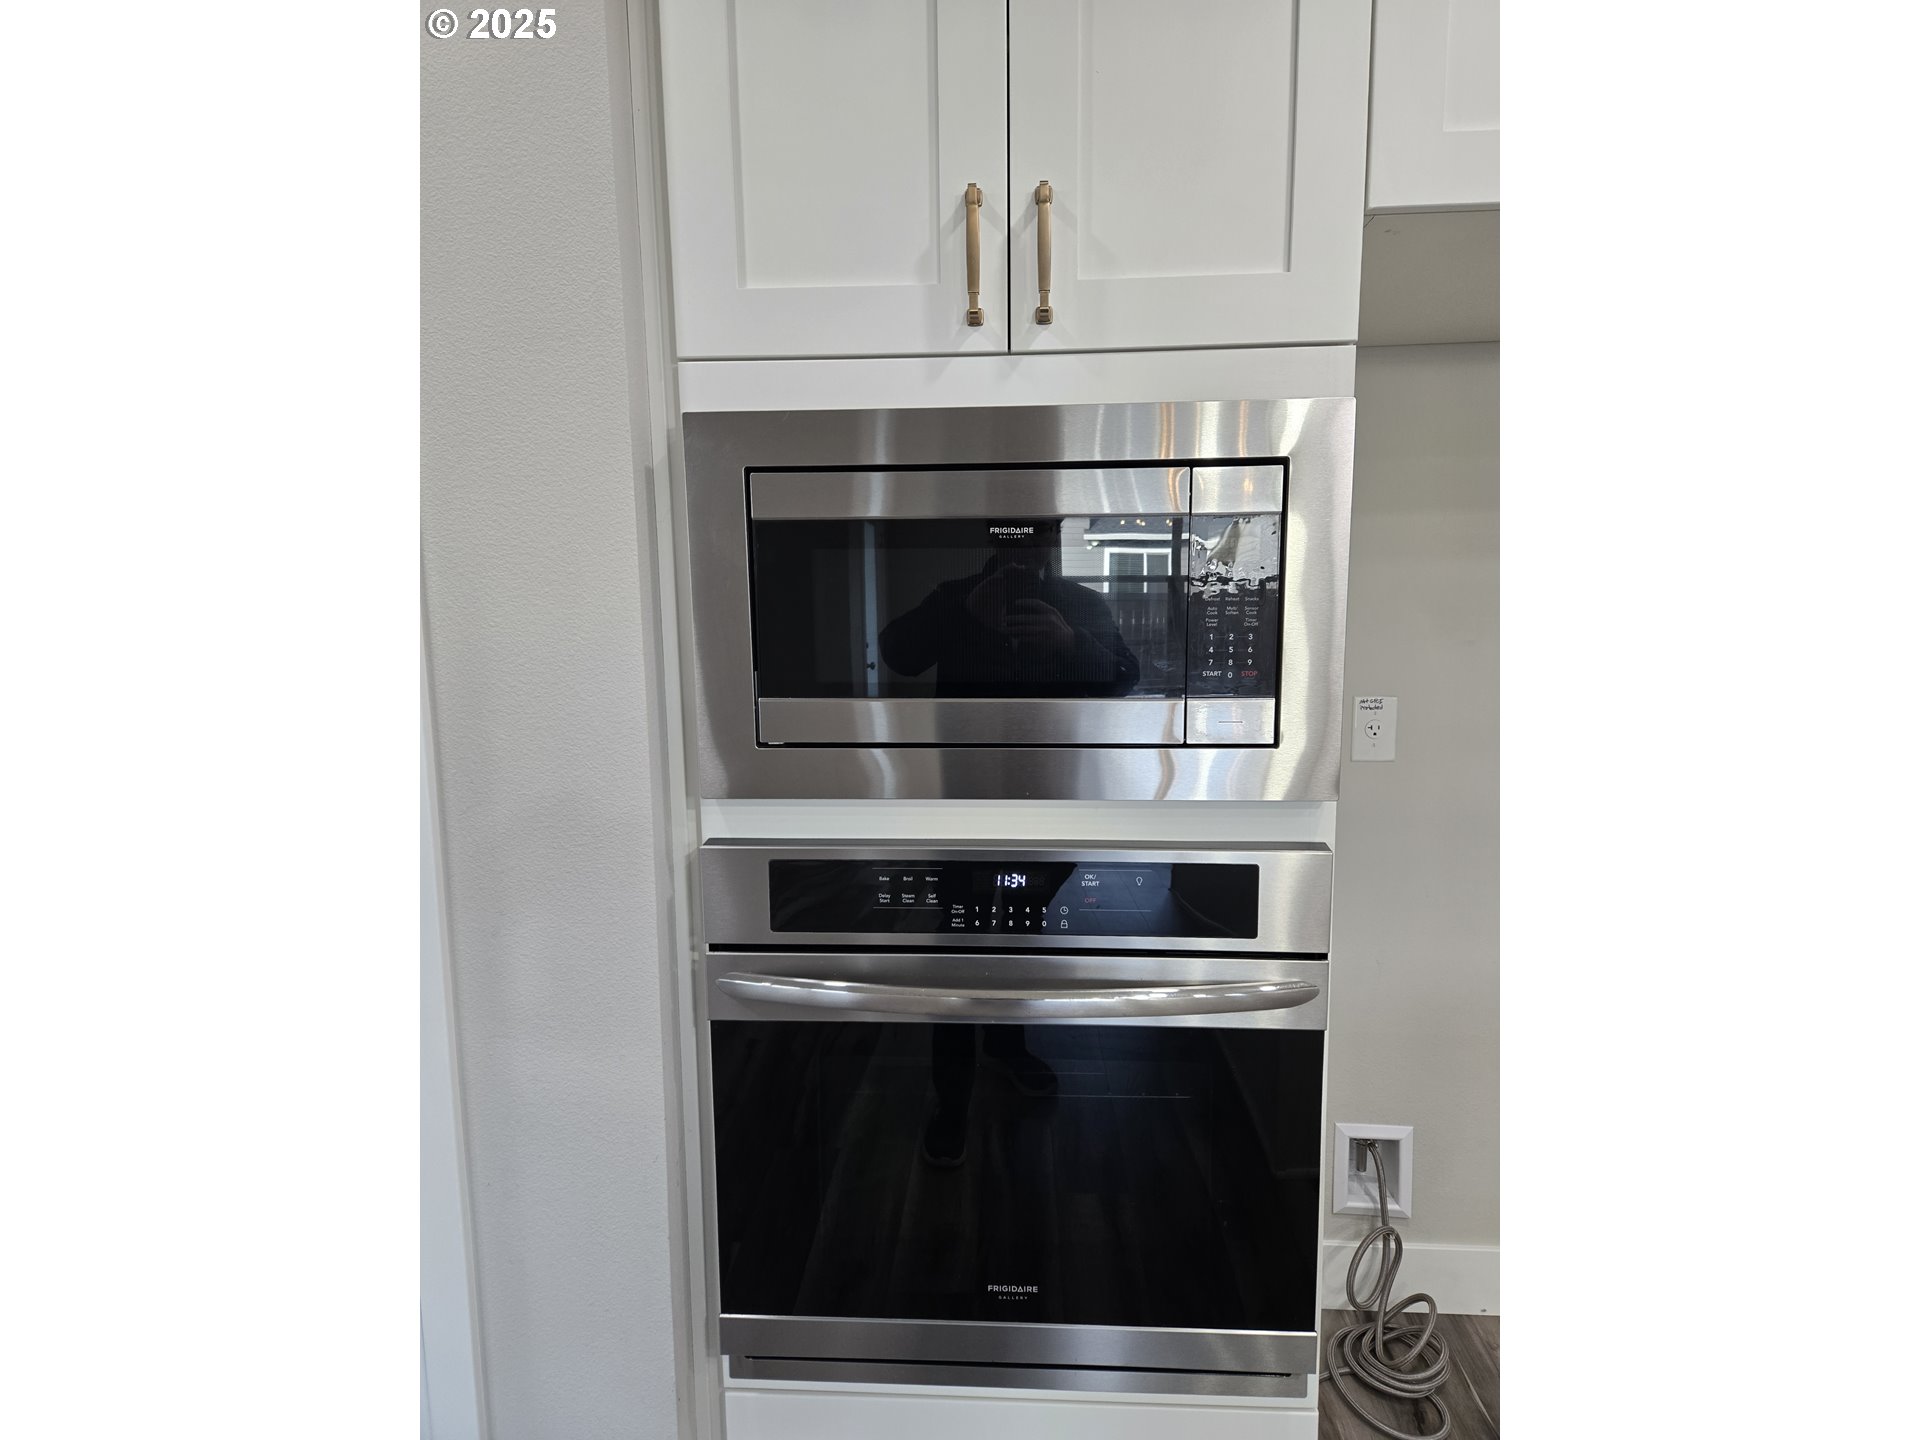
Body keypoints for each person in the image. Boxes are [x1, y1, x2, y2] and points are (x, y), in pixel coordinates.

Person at [878, 523, 1140, 697]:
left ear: (1054, 535)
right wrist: (963, 613)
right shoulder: (953, 596)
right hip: (970, 747)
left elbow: (1123, 680)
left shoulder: (1086, 602)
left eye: (1038, 529)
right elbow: (898, 657)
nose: (1025, 542)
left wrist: (1070, 641)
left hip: (1053, 750)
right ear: (993, 535)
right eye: (1012, 529)